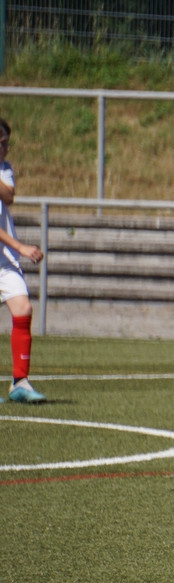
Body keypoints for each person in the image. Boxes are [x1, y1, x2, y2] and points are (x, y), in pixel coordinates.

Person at [0, 118, 46, 404]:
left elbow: (8, 196)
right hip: (10, 250)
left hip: (4, 260)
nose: (5, 148)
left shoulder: (5, 169)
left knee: (23, 308)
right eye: (0, 143)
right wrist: (20, 247)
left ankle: (20, 382)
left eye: (6, 142)